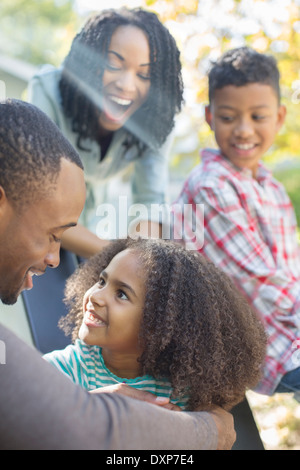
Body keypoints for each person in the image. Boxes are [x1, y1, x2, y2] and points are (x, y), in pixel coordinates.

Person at [0, 98, 236, 450]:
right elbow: (89, 429)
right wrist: (208, 431)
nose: (54, 259)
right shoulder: (67, 366)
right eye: (52, 234)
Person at [172, 46, 300, 401]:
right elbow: (257, 283)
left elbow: (290, 273)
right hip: (260, 345)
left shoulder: (271, 188)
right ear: (210, 117)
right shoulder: (211, 186)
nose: (244, 131)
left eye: (258, 117)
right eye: (229, 118)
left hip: (288, 334)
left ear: (279, 117)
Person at [28, 7, 184, 258]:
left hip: (91, 224)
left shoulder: (157, 122)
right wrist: (115, 256)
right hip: (33, 229)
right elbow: (42, 202)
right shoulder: (48, 93)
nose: (126, 85)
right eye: (113, 65)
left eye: (144, 74)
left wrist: (138, 256)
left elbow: (150, 201)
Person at [44, 238, 266, 412]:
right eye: (102, 281)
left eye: (121, 294)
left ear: (159, 325)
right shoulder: (62, 371)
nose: (96, 297)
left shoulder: (182, 391)